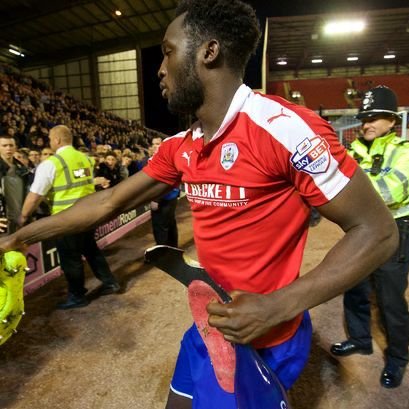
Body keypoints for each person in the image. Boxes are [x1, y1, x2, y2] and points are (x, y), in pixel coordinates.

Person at [0, 1, 399, 407]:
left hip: (267, 336)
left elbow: (378, 231)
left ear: (209, 52)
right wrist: (17, 238)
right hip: (208, 329)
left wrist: (279, 304)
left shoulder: (284, 130)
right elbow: (108, 202)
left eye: (168, 52)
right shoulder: (180, 147)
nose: (160, 68)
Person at [330, 86, 409, 388]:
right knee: (355, 288)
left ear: (392, 120)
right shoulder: (352, 150)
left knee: (390, 299)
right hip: (358, 230)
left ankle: (398, 357)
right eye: (364, 118)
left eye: (375, 117)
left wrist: (353, 192)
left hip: (394, 230)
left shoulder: (403, 150)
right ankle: (361, 339)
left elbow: (393, 192)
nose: (367, 124)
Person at [18, 125, 120, 309]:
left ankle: (77, 296)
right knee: (91, 250)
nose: (49, 142)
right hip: (89, 215)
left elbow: (35, 195)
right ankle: (110, 283)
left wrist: (23, 216)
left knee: (70, 258)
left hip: (66, 220)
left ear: (56, 140)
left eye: (50, 139)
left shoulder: (51, 164)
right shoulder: (85, 159)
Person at [149, 136, 180, 247]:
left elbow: (163, 180)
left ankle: (163, 255)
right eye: (153, 144)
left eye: (157, 144)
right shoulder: (165, 156)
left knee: (160, 227)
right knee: (170, 223)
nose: (155, 146)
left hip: (164, 198)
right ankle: (173, 249)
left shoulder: (163, 158)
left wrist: (156, 199)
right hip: (171, 196)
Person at [0, 135, 30, 234]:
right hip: (3, 220)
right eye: (4, 145)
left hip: (20, 220)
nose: (8, 148)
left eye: (11, 145)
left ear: (15, 148)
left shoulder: (23, 170)